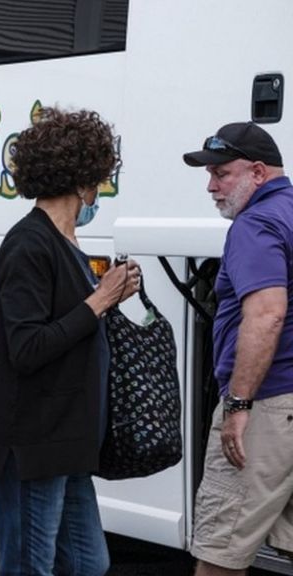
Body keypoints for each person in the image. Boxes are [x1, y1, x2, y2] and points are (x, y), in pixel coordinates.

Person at [0, 107, 141, 576]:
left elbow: (73, 326)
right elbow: (27, 348)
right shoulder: (28, 244)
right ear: (82, 180)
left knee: (88, 564)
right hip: (30, 444)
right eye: (99, 178)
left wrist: (112, 295)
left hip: (67, 442)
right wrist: (100, 301)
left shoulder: (69, 243)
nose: (100, 189)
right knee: (28, 566)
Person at [183, 122, 293, 575]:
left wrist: (239, 402)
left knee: (220, 553)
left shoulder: (256, 223)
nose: (211, 186)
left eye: (221, 173)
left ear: (259, 172)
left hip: (268, 406)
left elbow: (267, 314)